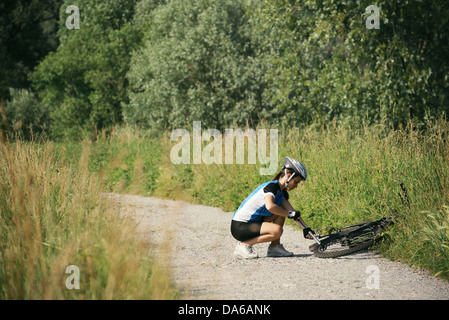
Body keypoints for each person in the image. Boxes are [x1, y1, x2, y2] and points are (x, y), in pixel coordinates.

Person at [230, 157, 315, 259]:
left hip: (253, 224)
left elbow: (292, 212)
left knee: (281, 213)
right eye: (296, 182)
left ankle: (275, 247)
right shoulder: (271, 187)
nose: (296, 186)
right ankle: (243, 245)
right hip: (240, 227)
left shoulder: (282, 192)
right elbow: (270, 206)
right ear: (289, 176)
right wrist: (289, 214)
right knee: (277, 231)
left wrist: (306, 229)